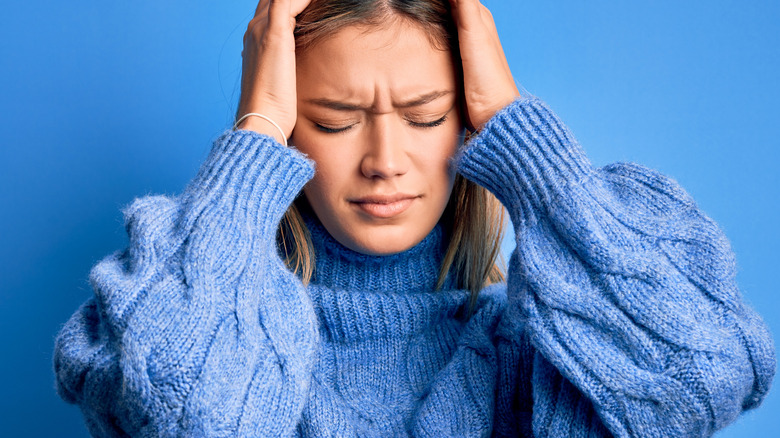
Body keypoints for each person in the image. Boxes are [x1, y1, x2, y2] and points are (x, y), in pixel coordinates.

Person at [53, 0, 775, 436]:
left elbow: (704, 380)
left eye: (425, 116)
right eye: (335, 122)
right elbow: (191, 419)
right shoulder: (179, 321)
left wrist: (526, 147)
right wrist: (256, 128)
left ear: (464, 126)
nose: (384, 160)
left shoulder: (533, 351)